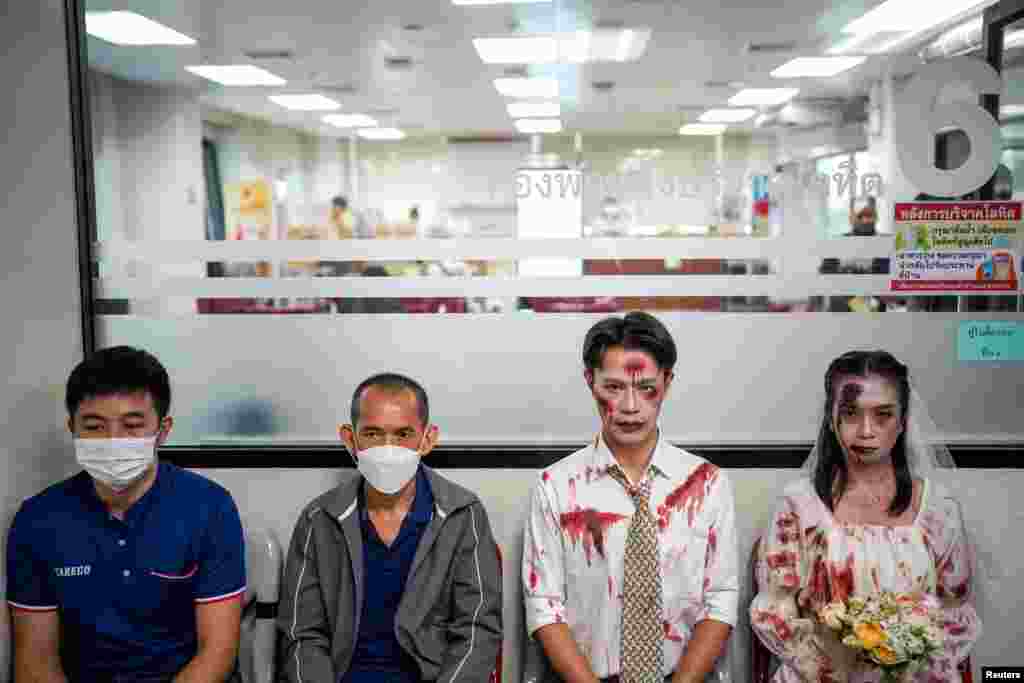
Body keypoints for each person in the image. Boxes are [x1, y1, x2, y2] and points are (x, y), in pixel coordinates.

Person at [6, 346, 246, 682]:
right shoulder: (37, 520)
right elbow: (36, 660)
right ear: (72, 427)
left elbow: (217, 652)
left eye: (132, 426)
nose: (113, 440)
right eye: (94, 426)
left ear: (163, 430)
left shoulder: (211, 509)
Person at [523, 312, 739, 683]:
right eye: (614, 387)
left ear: (667, 383)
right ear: (590, 382)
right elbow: (545, 608)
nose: (630, 406)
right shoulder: (555, 487)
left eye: (646, 388)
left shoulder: (707, 484)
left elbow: (720, 600)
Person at [749, 350, 982, 683]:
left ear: (903, 422)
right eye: (850, 413)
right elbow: (774, 609)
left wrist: (905, 662)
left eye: (883, 415)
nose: (866, 431)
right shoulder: (799, 507)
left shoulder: (938, 510)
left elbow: (953, 613)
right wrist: (828, 668)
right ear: (831, 419)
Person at [278, 373, 502, 683]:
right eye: (372, 434)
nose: (387, 448)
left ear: (427, 439)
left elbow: (477, 632)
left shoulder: (462, 515)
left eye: (402, 434)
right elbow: (301, 634)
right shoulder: (319, 519)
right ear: (350, 439)